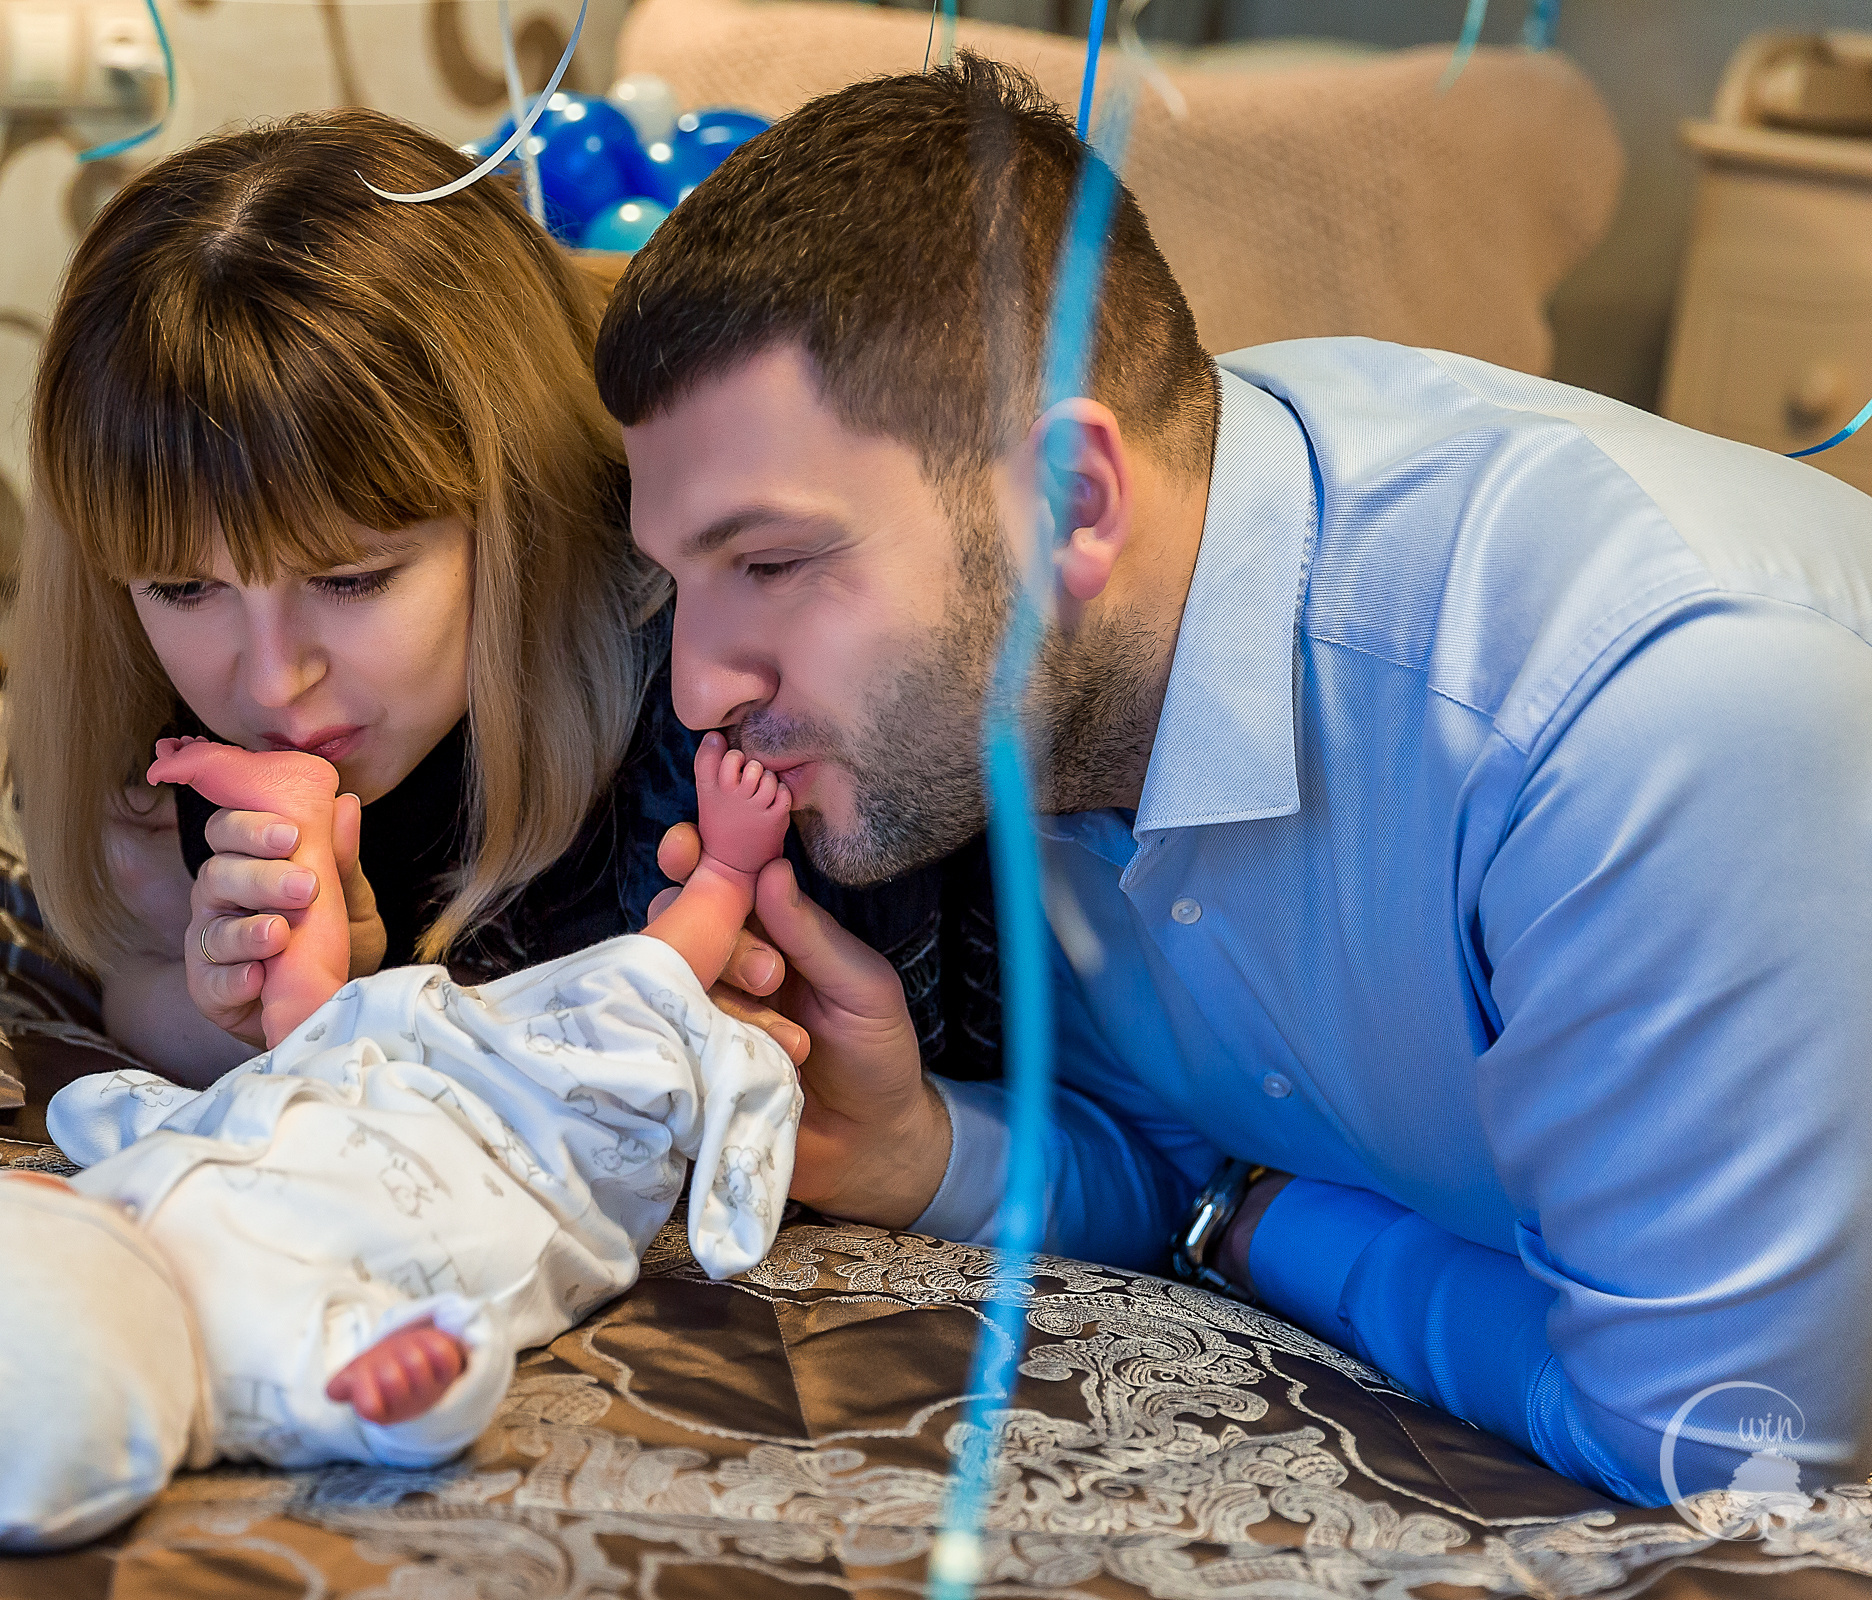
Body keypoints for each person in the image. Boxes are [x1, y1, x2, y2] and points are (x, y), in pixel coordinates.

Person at [593, 55, 1872, 1506]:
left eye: (769, 564)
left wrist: (1277, 1234)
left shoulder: (1636, 717)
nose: (701, 686)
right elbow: (1174, 1150)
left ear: (1073, 504)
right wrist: (920, 1145)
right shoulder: (1040, 677)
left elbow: (1722, 1446)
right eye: (679, 581)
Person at [6, 110, 1005, 1092]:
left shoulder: (725, 680)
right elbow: (132, 979)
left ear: (521, 501)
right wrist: (271, 1007)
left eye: (353, 579)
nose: (273, 680)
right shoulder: (139, 731)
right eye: (183, 588)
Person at [0, 736, 802, 1553]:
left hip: (330, 1084)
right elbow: (405, 1409)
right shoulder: (258, 1368)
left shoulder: (66, 1224)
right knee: (632, 1004)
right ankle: (727, 874)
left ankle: (292, 814)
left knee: (304, 1011)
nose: (25, 1203)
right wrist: (422, 1380)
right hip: (529, 1154)